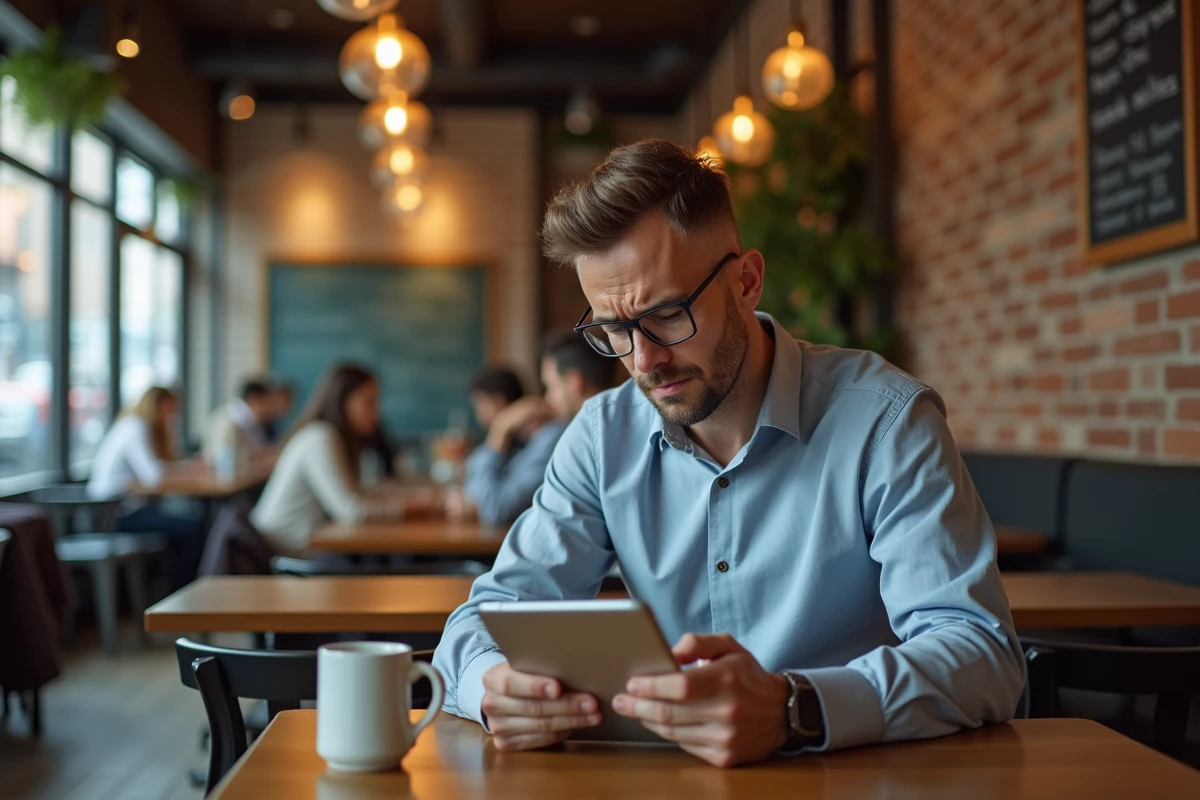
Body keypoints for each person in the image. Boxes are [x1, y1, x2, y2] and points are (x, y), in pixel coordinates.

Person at [433, 140, 1023, 766]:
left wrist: (799, 707)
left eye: (666, 314)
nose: (642, 360)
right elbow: (482, 622)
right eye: (613, 329)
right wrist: (492, 687)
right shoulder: (601, 437)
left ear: (746, 281)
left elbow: (981, 654)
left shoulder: (886, 422)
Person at [250, 363, 437, 555]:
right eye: (368, 402)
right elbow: (353, 511)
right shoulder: (320, 438)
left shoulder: (331, 437)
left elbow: (354, 495)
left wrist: (400, 496)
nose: (377, 412)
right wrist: (416, 506)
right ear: (342, 402)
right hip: (286, 555)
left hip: (305, 548)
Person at [462, 341, 612, 525]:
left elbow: (496, 508)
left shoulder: (559, 436)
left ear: (574, 383)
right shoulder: (614, 429)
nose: (547, 398)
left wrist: (499, 430)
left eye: (550, 387)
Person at [87, 386, 204, 588]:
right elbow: (153, 476)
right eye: (169, 410)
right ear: (156, 406)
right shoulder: (135, 428)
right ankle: (180, 593)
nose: (172, 415)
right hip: (112, 515)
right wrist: (185, 468)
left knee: (187, 524)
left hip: (125, 509)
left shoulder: (137, 426)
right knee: (191, 528)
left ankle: (175, 589)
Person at [201, 378, 274, 467]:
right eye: (267, 402)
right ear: (255, 399)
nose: (269, 408)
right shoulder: (229, 421)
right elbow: (223, 460)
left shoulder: (253, 420)